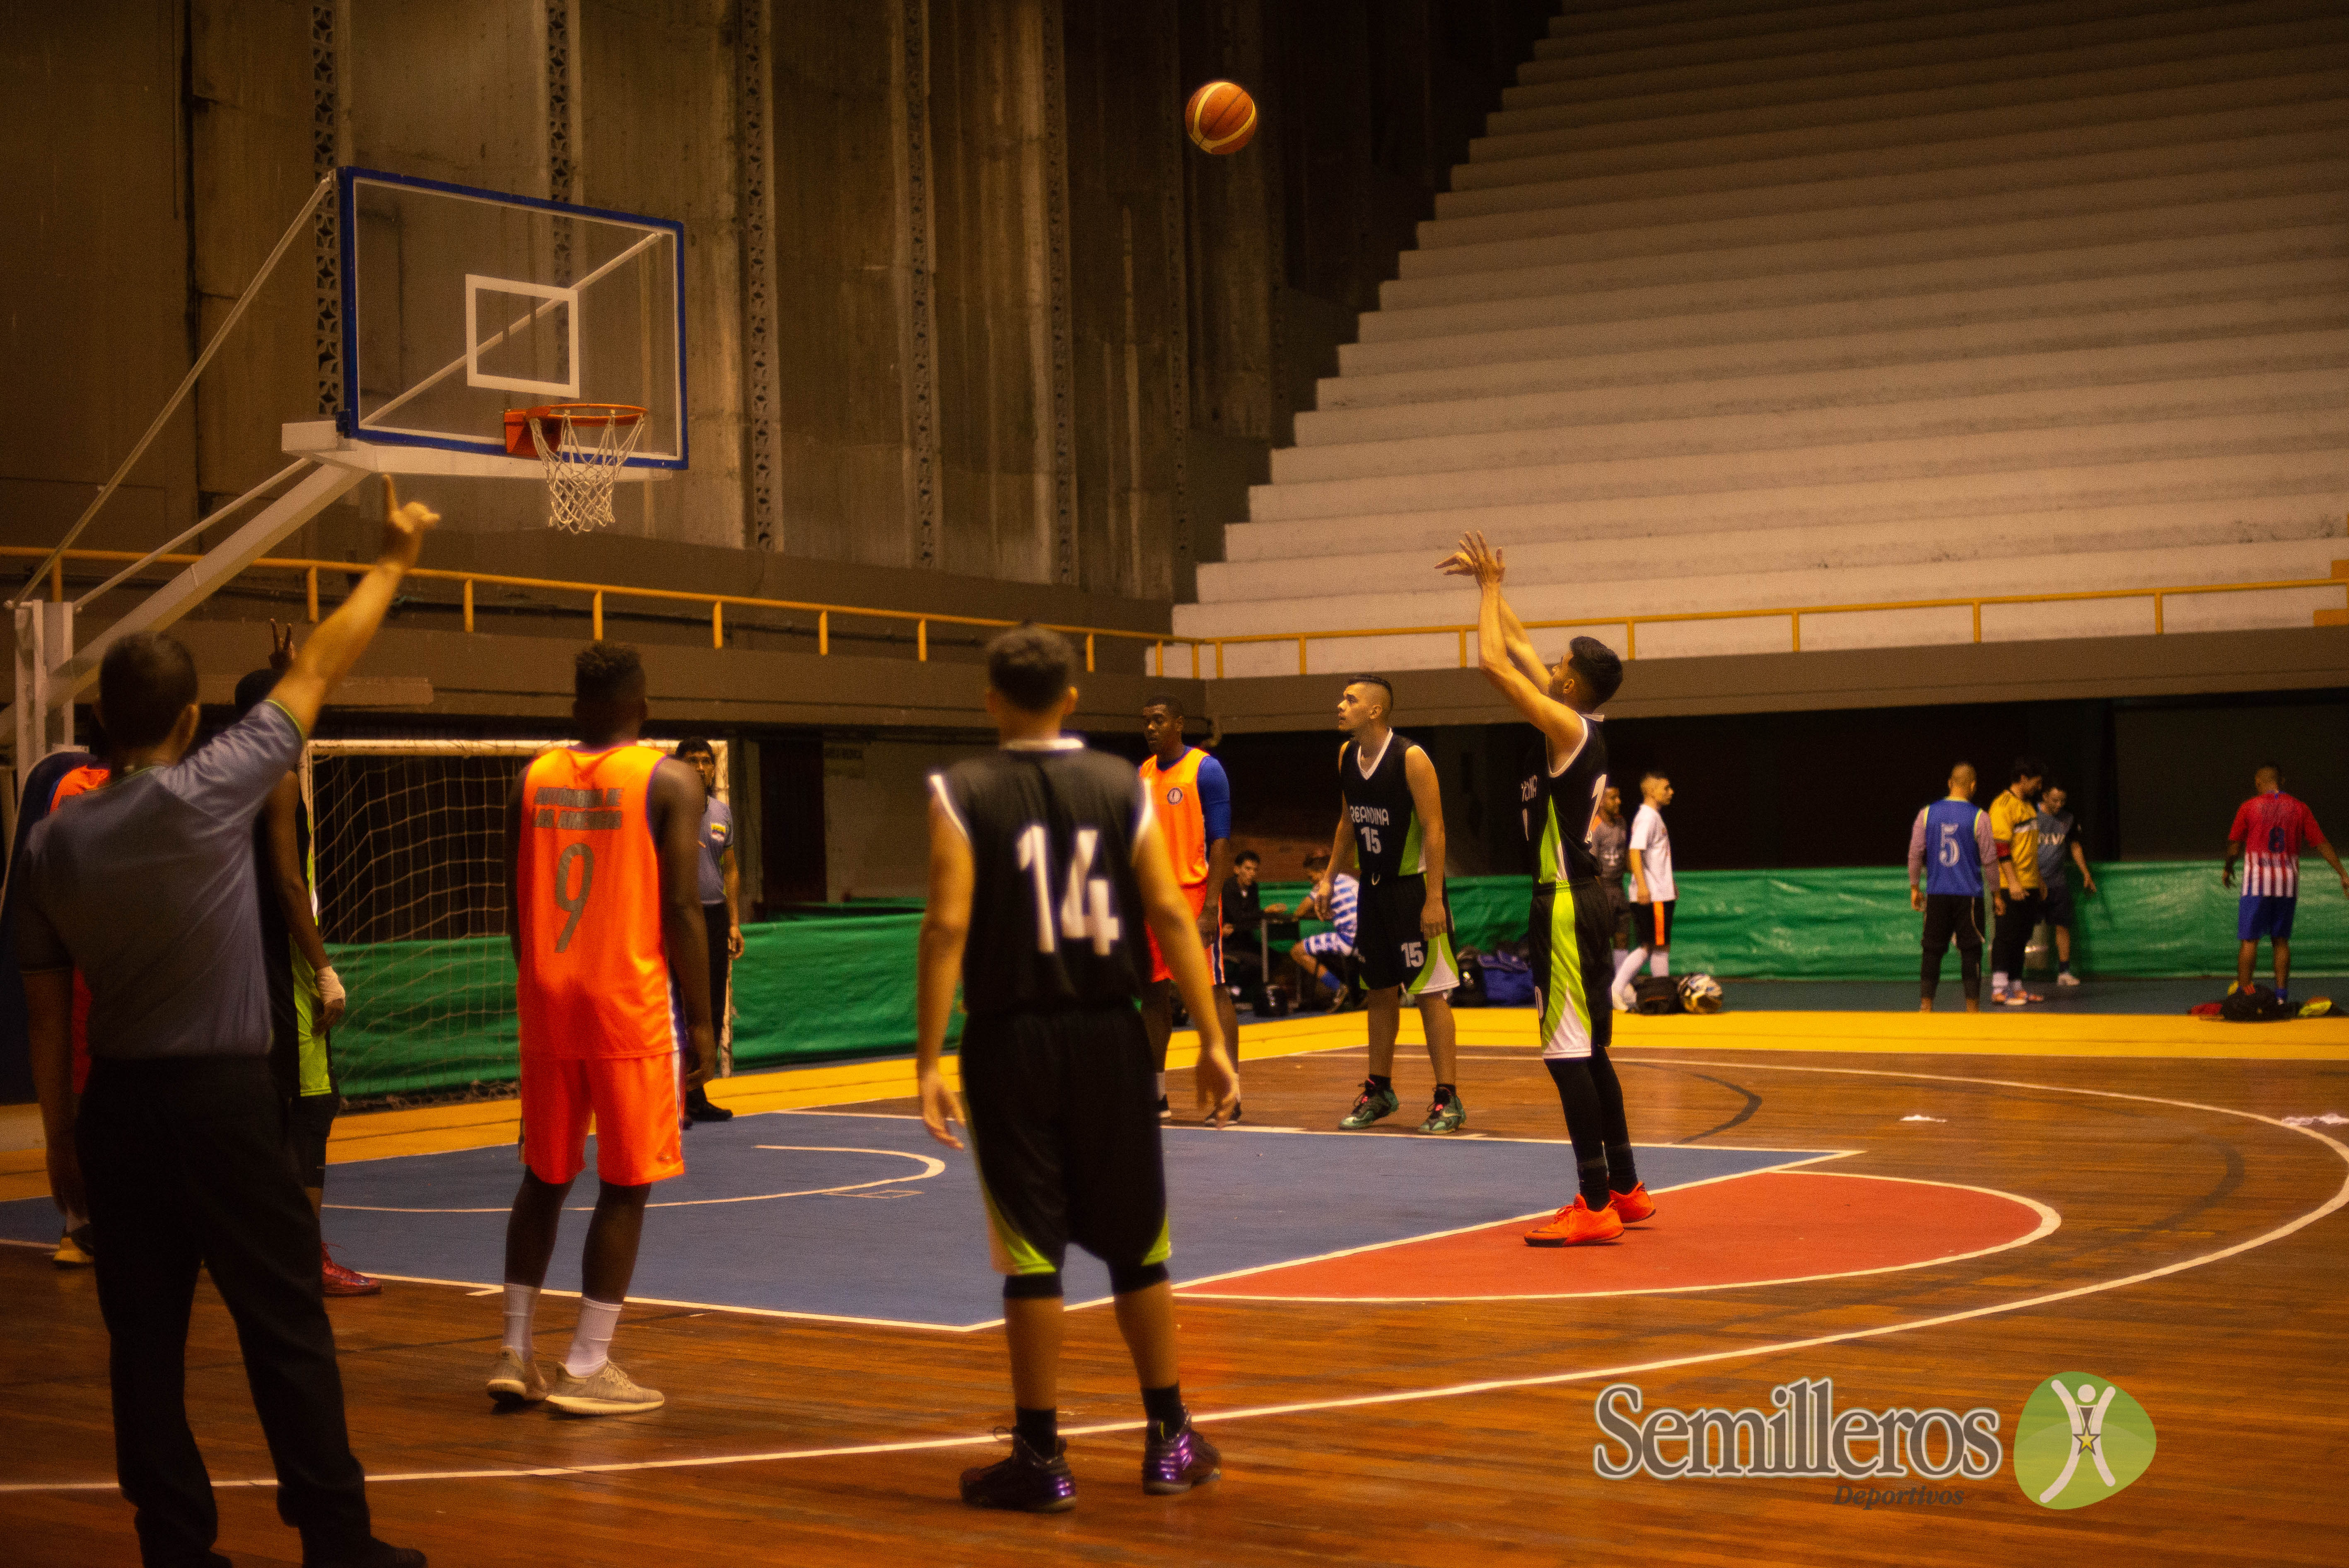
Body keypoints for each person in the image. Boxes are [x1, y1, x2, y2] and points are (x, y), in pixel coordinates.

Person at [19, 489, 437, 1568]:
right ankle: (338, 1542)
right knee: (285, 1328)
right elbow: (318, 669)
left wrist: (60, 1136)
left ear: (101, 723)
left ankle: (177, 1546)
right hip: (222, 1109)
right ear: (191, 718)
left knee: (143, 1349)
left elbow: (48, 1003)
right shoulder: (212, 789)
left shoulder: (52, 846)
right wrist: (393, 557)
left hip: (115, 1110)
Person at [915, 623, 1239, 1512]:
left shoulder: (961, 790)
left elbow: (945, 926)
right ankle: (1170, 1438)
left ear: (989, 699)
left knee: (1030, 1255)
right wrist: (1212, 1038)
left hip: (1010, 1039)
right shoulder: (1119, 783)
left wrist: (926, 1058)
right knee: (1140, 1244)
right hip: (1110, 1034)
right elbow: (1171, 914)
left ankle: (1041, 1455)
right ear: (1071, 699)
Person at [488, 643, 715, 1418]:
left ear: (574, 702)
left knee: (544, 1178)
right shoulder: (671, 778)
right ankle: (587, 1362)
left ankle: (516, 1352)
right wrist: (705, 1021)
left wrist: (539, 983)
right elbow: (685, 909)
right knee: (625, 1184)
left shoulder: (532, 778)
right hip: (627, 1003)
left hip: (548, 1001)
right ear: (642, 708)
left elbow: (515, 903)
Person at [1444, 532, 1649, 1246]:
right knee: (1593, 1050)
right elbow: (1524, 645)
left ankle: (1592, 1203)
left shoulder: (1563, 726)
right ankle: (1625, 1188)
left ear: (1568, 685)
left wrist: (1487, 595)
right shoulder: (1586, 719)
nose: (1549, 666)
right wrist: (1494, 583)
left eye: (1559, 665)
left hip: (1563, 902)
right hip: (1592, 899)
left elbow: (1491, 660)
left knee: (1567, 1058)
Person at [234, 628, 375, 1296]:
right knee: (311, 1110)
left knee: (262, 1118)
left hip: (236, 974)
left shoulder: (225, 780)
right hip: (281, 975)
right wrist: (323, 968)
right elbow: (291, 886)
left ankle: (259, 1248)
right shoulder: (280, 783)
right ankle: (305, 1260)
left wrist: (286, 671)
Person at [1314, 675, 1465, 1135]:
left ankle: (1447, 1098)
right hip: (1372, 892)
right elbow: (1348, 821)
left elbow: (1435, 829)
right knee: (1377, 990)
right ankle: (1379, 1090)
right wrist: (1329, 877)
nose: (1340, 705)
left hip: (1413, 889)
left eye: (1350, 700)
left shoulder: (1410, 758)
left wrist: (1435, 898)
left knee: (1430, 993)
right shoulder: (1346, 756)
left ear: (1376, 711)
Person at [2, 745, 110, 1266]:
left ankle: (86, 1224)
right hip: (102, 991)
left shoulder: (73, 798)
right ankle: (82, 1223)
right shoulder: (79, 793)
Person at [1136, 695, 1237, 1119]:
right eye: (1147, 722)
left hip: (1194, 896)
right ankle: (1155, 1095)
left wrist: (1211, 905)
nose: (1152, 728)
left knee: (1210, 993)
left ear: (1178, 723)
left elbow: (1221, 842)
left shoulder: (1205, 769)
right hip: (1150, 899)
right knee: (1152, 995)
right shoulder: (1142, 773)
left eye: (1159, 720)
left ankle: (1228, 1094)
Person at [2224, 763, 2348, 1005]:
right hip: (2287, 882)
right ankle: (2281, 998)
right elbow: (2321, 843)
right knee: (2280, 941)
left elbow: (2235, 845)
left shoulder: (2249, 807)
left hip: (2256, 882)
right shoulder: (2300, 808)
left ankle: (2244, 996)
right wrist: (2343, 873)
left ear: (2258, 782)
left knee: (2250, 940)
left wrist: (2228, 868)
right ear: (2283, 781)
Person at [671, 738, 739, 1124]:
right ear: (679, 766)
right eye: (691, 761)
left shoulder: (722, 812)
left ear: (714, 768)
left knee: (711, 1007)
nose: (700, 767)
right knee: (677, 1008)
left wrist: (732, 922)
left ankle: (695, 1097)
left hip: (713, 920)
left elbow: (730, 869)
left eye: (705, 761)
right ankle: (673, 1099)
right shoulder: (667, 808)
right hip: (679, 917)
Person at [1909, 762, 2001, 1014]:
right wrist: (1997, 894)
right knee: (1970, 951)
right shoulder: (1980, 817)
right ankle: (1972, 1010)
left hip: (1937, 894)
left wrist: (1915, 887)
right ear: (1973, 786)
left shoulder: (1926, 814)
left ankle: (1926, 1008)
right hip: (1968, 896)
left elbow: (1916, 853)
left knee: (1932, 949)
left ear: (1950, 783)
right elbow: (1990, 859)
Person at [1611, 771, 1676, 1011]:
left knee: (1657, 945)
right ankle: (1618, 989)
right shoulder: (1647, 817)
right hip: (1653, 895)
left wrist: (1671, 884)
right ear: (1651, 791)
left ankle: (1661, 995)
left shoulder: (1654, 817)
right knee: (1652, 946)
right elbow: (1635, 851)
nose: (1671, 792)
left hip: (1661, 892)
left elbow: (1656, 857)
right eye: (1666, 788)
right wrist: (1643, 886)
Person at [1989, 757, 2047, 1006]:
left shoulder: (2029, 806)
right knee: (2006, 936)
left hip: (2031, 883)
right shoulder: (2003, 806)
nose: (2039, 787)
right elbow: (2001, 847)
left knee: (2023, 936)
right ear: (2023, 779)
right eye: (2036, 782)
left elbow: (2029, 849)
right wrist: (2012, 882)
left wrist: (2040, 881)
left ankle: (2016, 986)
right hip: (2009, 884)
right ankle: (1999, 989)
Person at [2034, 784, 2098, 987]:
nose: (2059, 805)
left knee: (2063, 926)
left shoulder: (2068, 819)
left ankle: (2064, 972)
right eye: (2055, 800)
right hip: (2032, 883)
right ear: (2044, 796)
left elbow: (2075, 846)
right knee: (2023, 929)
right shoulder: (2030, 815)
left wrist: (2085, 873)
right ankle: (2013, 976)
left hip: (2057, 883)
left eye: (2063, 800)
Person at [1285, 850, 1359, 1010]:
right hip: (1368, 940)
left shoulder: (1325, 883)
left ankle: (1339, 989)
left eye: (1311, 877)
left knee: (1297, 951)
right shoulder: (1349, 879)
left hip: (1349, 940)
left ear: (1322, 872)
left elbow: (1300, 911)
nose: (1312, 882)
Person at [1589, 783, 1631, 982]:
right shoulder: (1595, 827)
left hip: (1619, 887)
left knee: (1623, 935)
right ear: (1602, 801)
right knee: (1601, 938)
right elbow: (1592, 864)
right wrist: (1598, 897)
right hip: (1603, 888)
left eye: (1619, 797)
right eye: (1613, 798)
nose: (1619, 802)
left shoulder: (1622, 823)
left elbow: (1627, 856)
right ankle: (1601, 981)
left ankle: (1621, 982)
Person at [1219, 850, 1270, 1013]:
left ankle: (1235, 990)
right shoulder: (1228, 888)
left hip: (1244, 940)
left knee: (1273, 957)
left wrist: (1237, 927)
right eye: (1248, 869)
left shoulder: (1254, 888)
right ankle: (1234, 993)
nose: (1252, 874)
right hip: (1228, 943)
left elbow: (1250, 921)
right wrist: (1265, 913)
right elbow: (1238, 916)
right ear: (1237, 870)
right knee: (1259, 961)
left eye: (1255, 870)